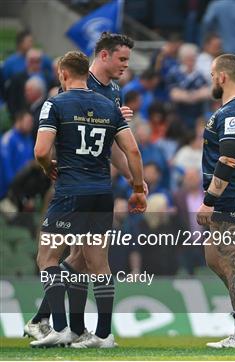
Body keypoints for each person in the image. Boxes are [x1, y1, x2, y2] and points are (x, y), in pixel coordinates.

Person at [24, 32, 143, 345]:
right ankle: (71, 327)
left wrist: (131, 178)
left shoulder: (112, 93)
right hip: (92, 188)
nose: (125, 66)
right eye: (122, 59)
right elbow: (124, 146)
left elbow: (112, 146)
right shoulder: (85, 88)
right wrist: (136, 177)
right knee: (81, 259)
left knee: (73, 258)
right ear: (103, 56)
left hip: (80, 185)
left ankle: (59, 325)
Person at [196, 54, 235, 348]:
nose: (212, 80)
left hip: (231, 197)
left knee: (234, 263)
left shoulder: (233, 114)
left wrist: (210, 199)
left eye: (212, 75)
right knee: (214, 260)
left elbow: (229, 158)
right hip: (230, 196)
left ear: (222, 77)